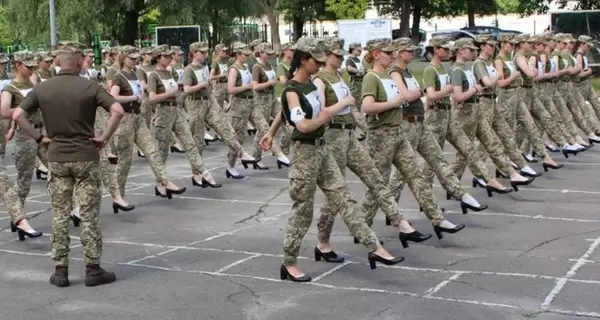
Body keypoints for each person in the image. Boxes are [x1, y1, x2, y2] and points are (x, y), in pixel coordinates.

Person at [260, 37, 404, 282]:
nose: (320, 63)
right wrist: (331, 112)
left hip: (322, 149)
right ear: (304, 60)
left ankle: (375, 247)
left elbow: (286, 115)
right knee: (303, 212)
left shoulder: (310, 86)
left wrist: (271, 132)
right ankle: (289, 262)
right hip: (304, 153)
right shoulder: (293, 90)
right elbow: (303, 125)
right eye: (316, 60)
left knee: (344, 198)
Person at [11, 41, 124, 287]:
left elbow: (18, 116)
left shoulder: (43, 89)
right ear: (81, 61)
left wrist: (40, 138)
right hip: (85, 156)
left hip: (58, 157)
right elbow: (117, 110)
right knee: (89, 214)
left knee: (60, 215)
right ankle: (92, 269)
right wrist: (104, 137)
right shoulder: (90, 86)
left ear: (58, 62)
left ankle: (60, 271)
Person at [0, 51, 42, 242]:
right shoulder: (10, 88)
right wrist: (22, 112)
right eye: (28, 66)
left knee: (58, 170)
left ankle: (19, 219)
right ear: (18, 65)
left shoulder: (33, 84)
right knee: (21, 180)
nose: (32, 69)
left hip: (40, 132)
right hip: (25, 137)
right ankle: (18, 218)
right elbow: (5, 110)